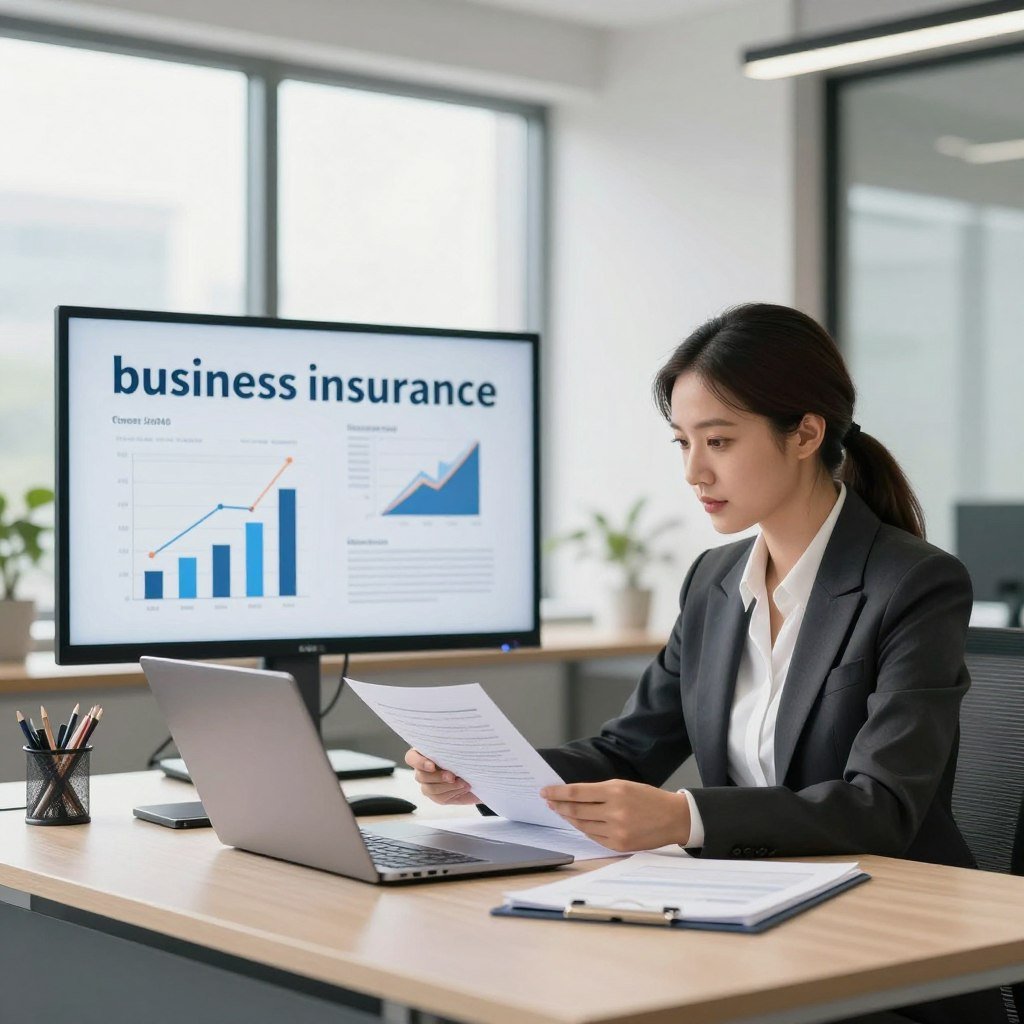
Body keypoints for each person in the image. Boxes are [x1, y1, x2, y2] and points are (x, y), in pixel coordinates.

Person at [405, 303, 1005, 1024]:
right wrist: (491, 772)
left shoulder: (912, 582)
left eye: (718, 440)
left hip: (888, 946)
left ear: (806, 433)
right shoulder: (715, 581)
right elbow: (629, 748)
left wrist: (683, 818)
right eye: (682, 442)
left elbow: (881, 808)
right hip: (749, 924)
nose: (695, 470)